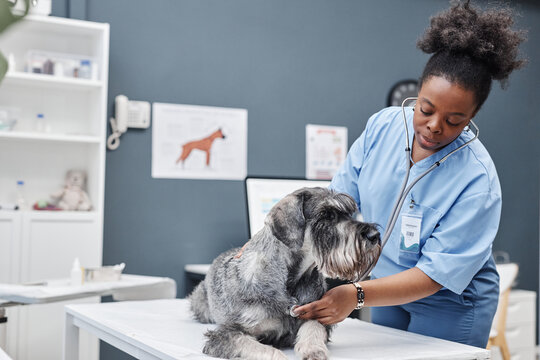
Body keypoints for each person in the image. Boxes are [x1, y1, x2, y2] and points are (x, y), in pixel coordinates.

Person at [293, 0, 527, 348]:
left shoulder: (478, 181)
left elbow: (435, 275)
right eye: (426, 109)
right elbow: (337, 203)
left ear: (472, 117)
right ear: (418, 94)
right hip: (382, 285)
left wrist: (354, 296)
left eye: (454, 121)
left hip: (451, 300)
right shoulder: (382, 128)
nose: (433, 127)